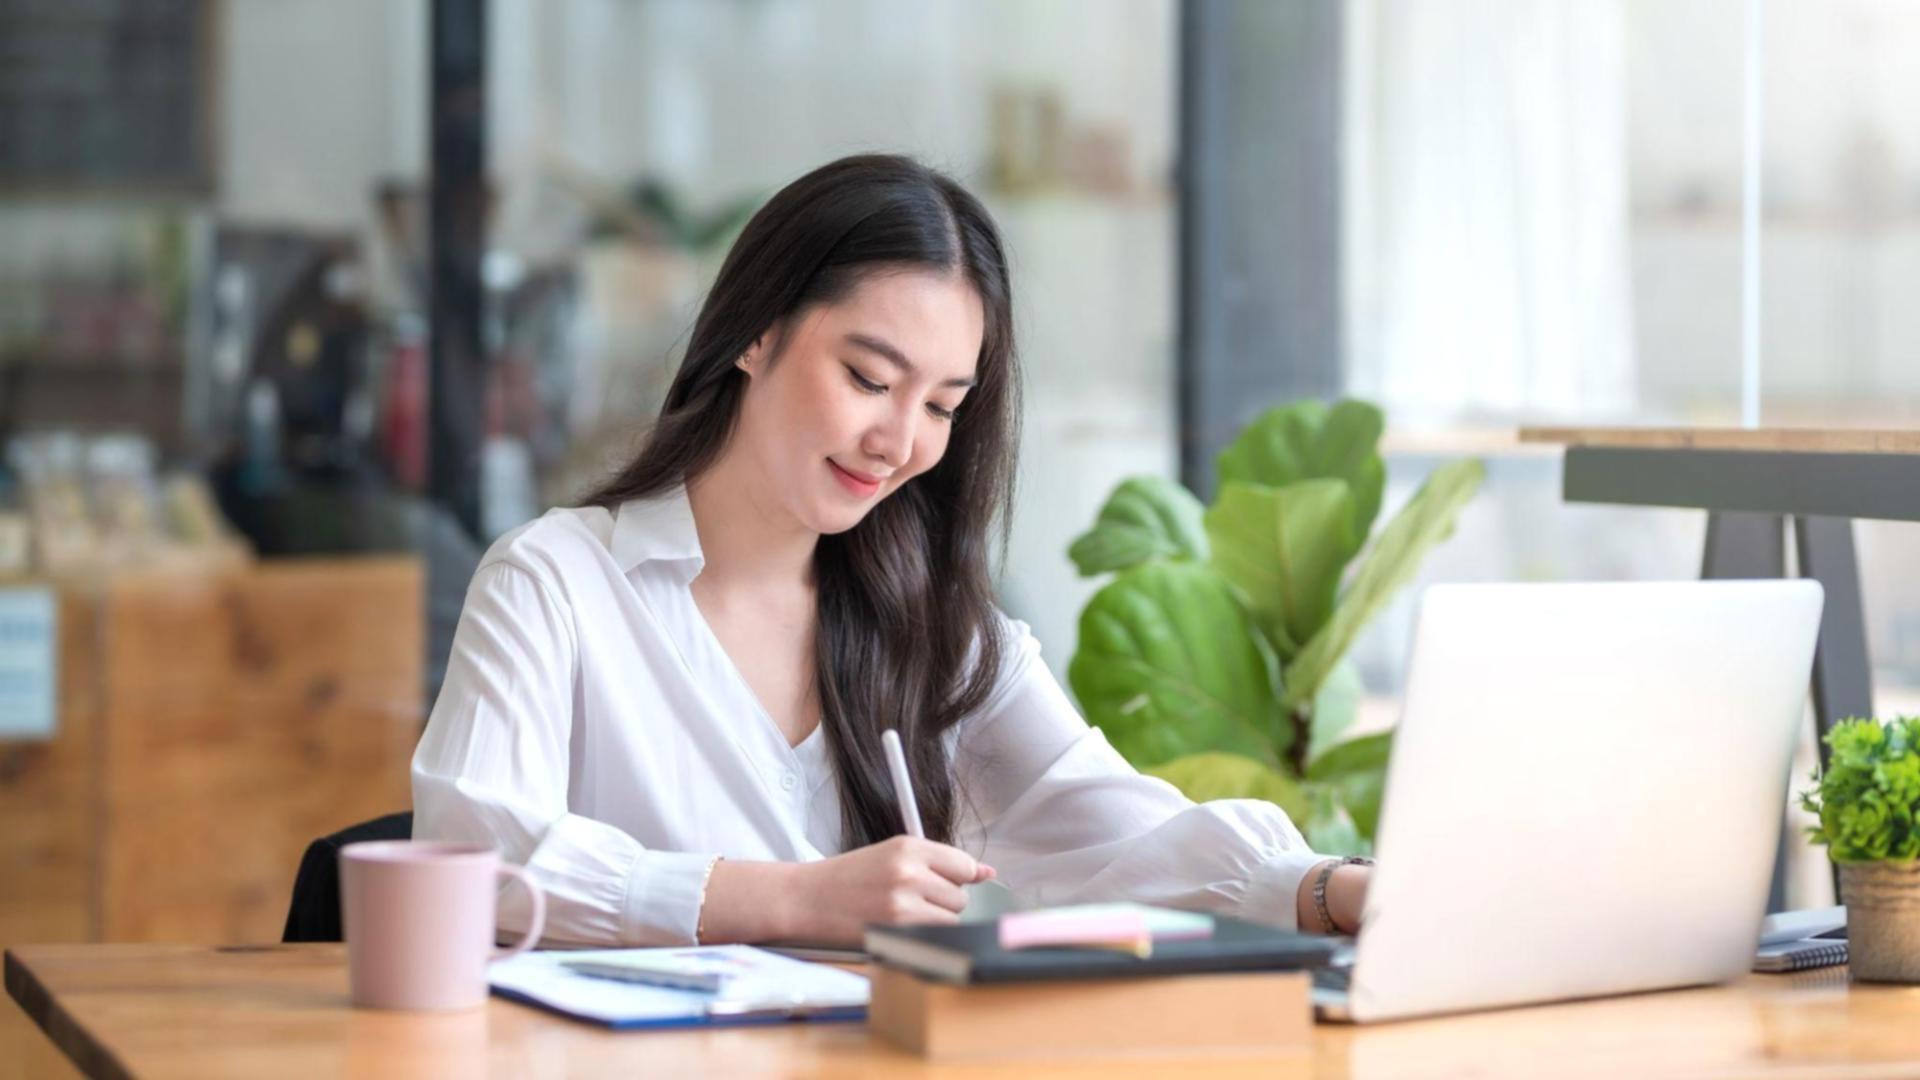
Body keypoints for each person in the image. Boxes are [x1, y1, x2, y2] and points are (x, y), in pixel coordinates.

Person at [411, 154, 1371, 948]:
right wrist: (795, 898)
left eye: (944, 405)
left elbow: (1124, 831)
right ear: (757, 332)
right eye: (870, 378)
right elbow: (474, 858)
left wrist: (1335, 890)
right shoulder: (554, 584)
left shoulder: (943, 633)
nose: (900, 440)